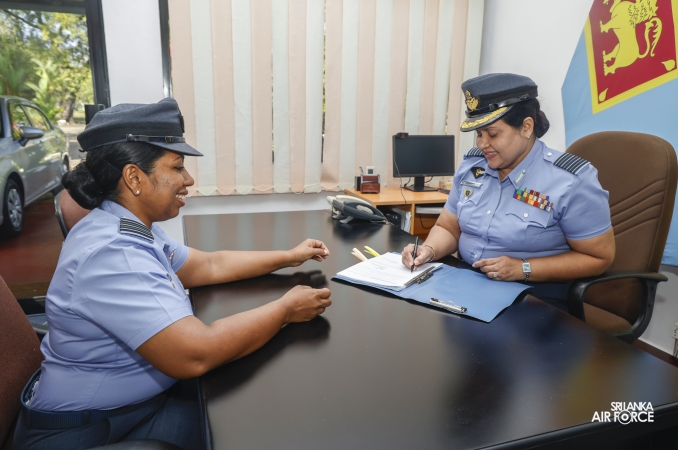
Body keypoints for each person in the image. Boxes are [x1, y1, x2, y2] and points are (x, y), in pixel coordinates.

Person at [14, 98, 332, 450]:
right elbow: (196, 354)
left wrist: (289, 257)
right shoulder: (113, 254)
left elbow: (209, 265)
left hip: (130, 407)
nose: (188, 179)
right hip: (89, 431)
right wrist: (286, 309)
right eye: (178, 167)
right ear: (134, 177)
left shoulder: (126, 224)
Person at [402, 73, 615, 311]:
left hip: (533, 295)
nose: (482, 144)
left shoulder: (570, 181)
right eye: (479, 134)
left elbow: (599, 257)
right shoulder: (473, 166)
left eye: (492, 134)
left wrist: (523, 268)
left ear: (526, 127)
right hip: (467, 283)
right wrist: (428, 251)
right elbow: (448, 227)